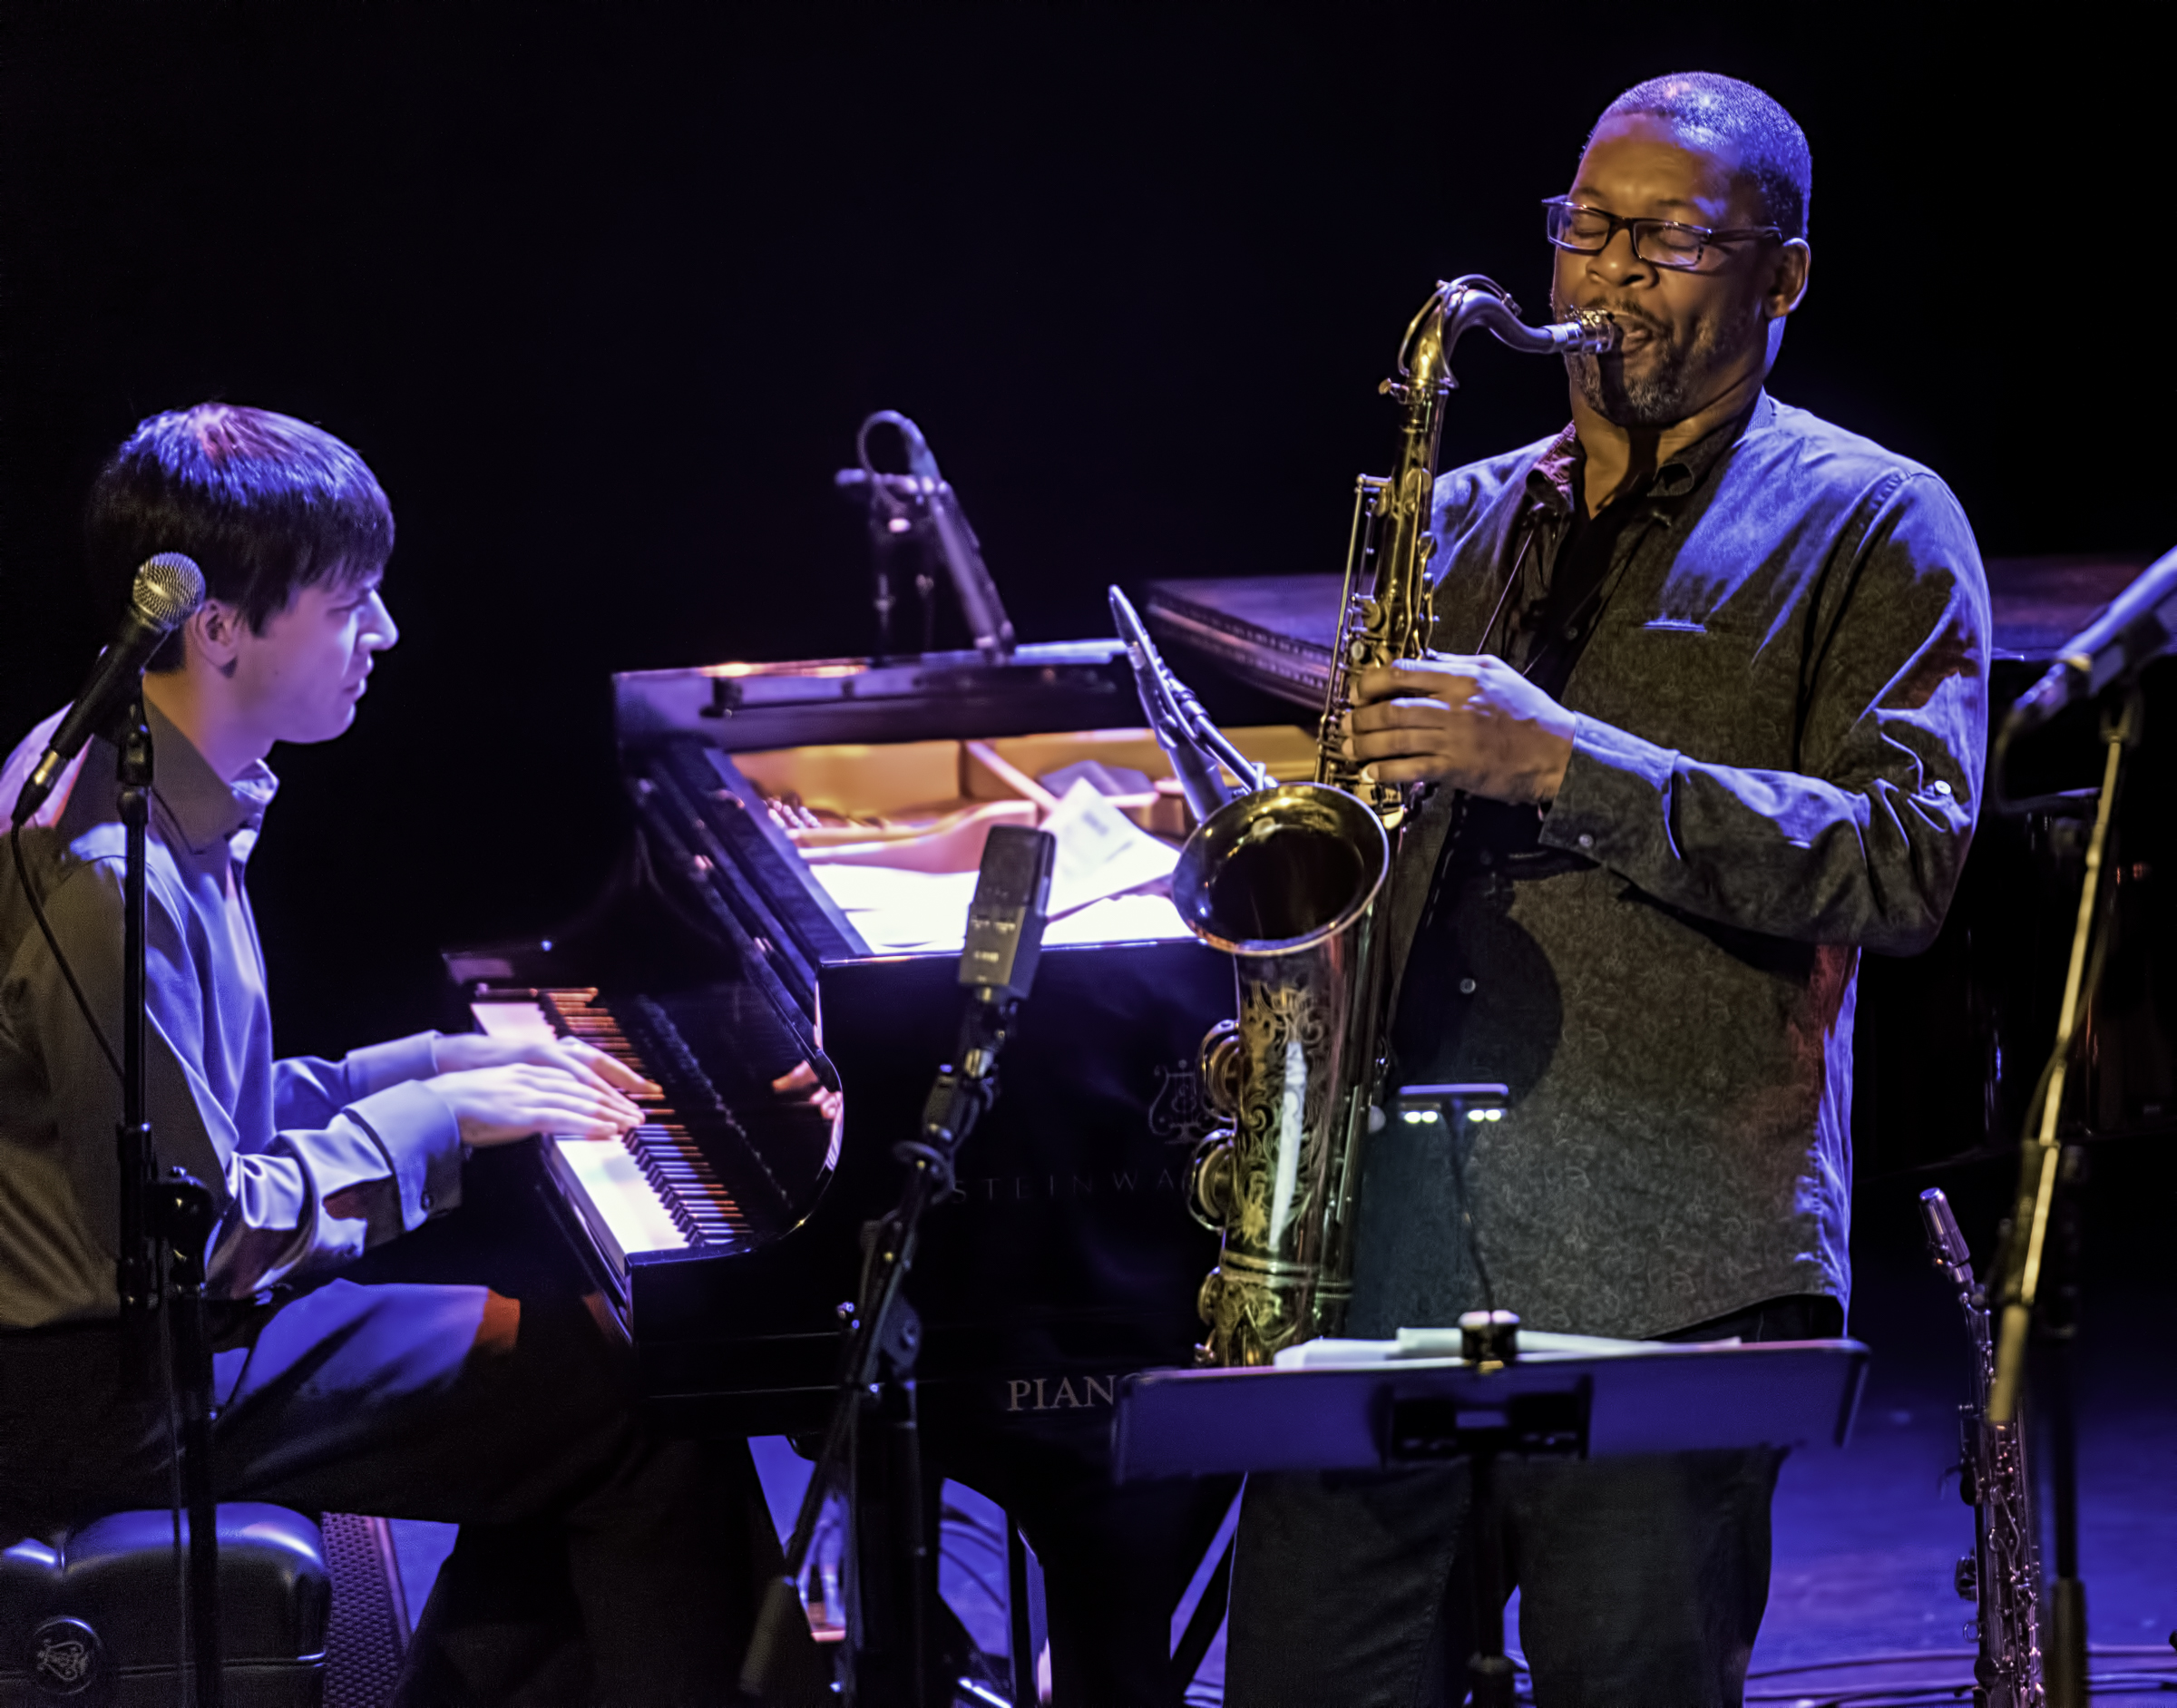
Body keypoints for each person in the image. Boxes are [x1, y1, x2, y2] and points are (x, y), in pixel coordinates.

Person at [1224, 73, 1989, 1705]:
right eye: (1588, 228)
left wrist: (1568, 766)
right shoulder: (1467, 519)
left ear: (1780, 278)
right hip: (1384, 1259)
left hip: (1673, 1269)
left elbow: (1905, 862)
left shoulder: (1878, 520)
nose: (1606, 275)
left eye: (1671, 240)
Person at [0, 404, 824, 1705]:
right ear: (218, 628)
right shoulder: (119, 876)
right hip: (106, 1388)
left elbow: (196, 1120)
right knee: (633, 1406)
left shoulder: (120, 769)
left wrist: (433, 1070)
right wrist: (437, 1127)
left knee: (571, 1387)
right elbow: (198, 1234)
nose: (384, 635)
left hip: (131, 1336)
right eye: (350, 606)